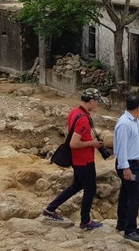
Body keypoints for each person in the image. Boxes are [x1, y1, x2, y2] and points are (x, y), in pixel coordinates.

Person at [42, 88, 105, 231]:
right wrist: (92, 143)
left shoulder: (74, 112)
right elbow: (74, 143)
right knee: (90, 189)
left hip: (77, 160)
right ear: (92, 101)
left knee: (76, 185)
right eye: (97, 102)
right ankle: (85, 221)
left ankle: (50, 209)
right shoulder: (83, 119)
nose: (97, 105)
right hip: (84, 160)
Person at [114, 94, 139, 243]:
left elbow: (135, 141)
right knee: (136, 194)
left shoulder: (135, 120)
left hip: (134, 163)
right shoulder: (124, 124)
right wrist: (125, 168)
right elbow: (121, 148)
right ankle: (130, 229)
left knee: (126, 193)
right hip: (127, 165)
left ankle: (122, 223)